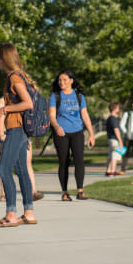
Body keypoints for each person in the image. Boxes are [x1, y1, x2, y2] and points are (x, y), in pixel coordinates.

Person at [0, 42, 37, 227]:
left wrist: (5, 109)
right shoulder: (18, 76)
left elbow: (28, 104)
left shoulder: (14, 78)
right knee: (22, 170)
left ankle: (10, 214)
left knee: (3, 169)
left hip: (16, 128)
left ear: (3, 58)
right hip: (19, 127)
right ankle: (29, 213)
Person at [48, 69, 95, 201]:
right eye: (60, 80)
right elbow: (51, 115)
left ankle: (80, 191)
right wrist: (56, 127)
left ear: (71, 81)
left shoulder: (79, 96)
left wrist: (91, 134)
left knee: (79, 161)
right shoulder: (55, 96)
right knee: (64, 162)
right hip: (61, 134)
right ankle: (64, 192)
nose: (61, 82)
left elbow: (85, 115)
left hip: (77, 132)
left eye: (64, 80)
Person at [104, 102, 124, 176]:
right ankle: (112, 171)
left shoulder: (109, 118)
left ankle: (108, 170)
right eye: (118, 108)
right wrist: (120, 141)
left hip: (110, 139)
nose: (118, 109)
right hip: (115, 139)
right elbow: (116, 130)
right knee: (115, 155)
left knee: (110, 155)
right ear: (115, 109)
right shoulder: (113, 119)